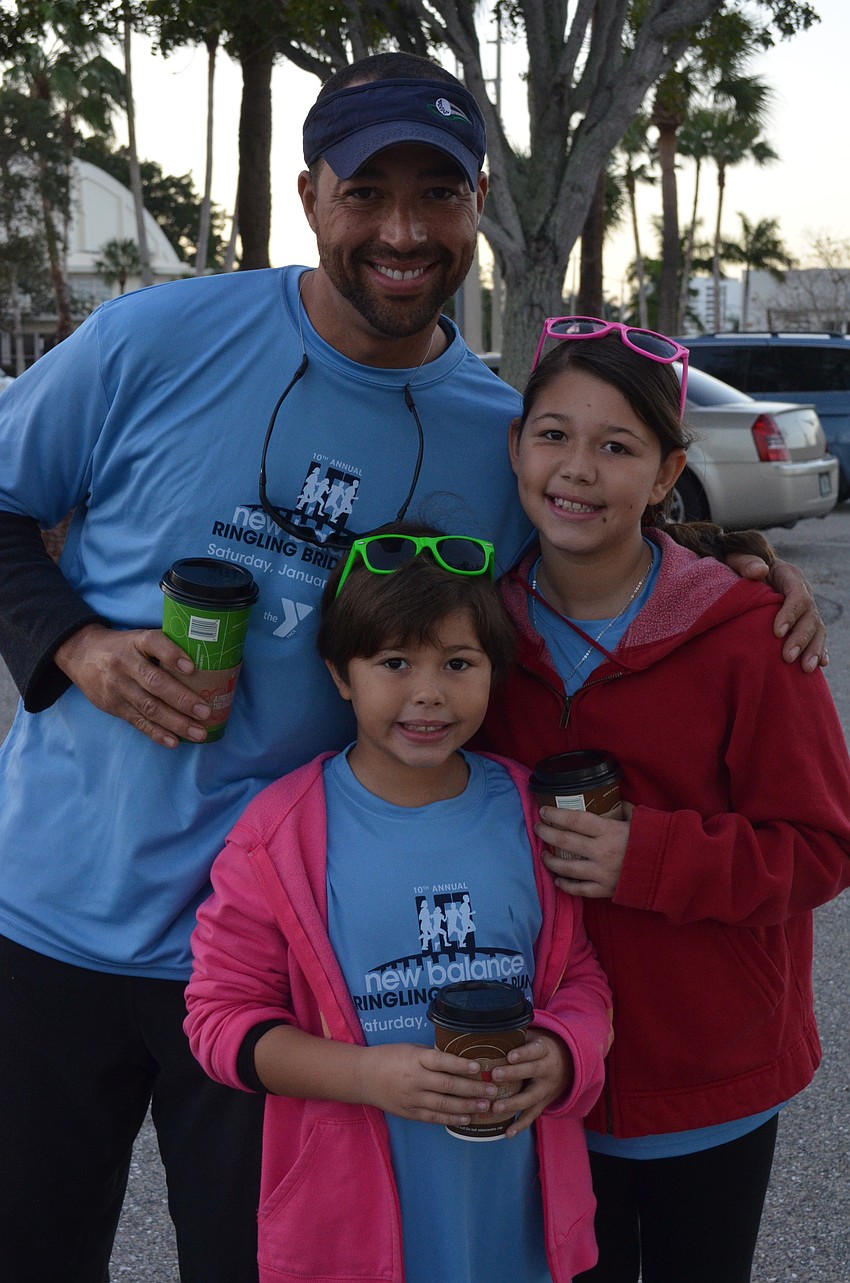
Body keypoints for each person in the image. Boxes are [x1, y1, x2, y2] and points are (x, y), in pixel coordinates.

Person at [0, 50, 825, 1282]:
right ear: (309, 195)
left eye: (436, 194)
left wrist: (739, 562)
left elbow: (588, 542)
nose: (401, 230)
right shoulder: (155, 337)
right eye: (365, 191)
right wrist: (74, 641)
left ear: (477, 202)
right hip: (52, 912)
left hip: (298, 955)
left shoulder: (492, 434)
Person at [475, 318, 850, 1283]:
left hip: (708, 1078)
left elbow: (821, 846)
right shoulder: (476, 640)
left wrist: (647, 855)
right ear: (515, 446)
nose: (577, 469)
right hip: (548, 1074)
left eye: (618, 446)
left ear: (666, 472)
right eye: (553, 434)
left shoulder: (751, 634)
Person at [184, 523, 614, 1283]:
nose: (428, 691)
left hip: (514, 1221)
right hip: (353, 1234)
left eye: (458, 663)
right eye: (394, 662)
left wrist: (564, 1054)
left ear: (494, 670)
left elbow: (578, 976)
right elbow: (219, 1021)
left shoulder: (529, 811)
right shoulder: (279, 835)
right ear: (339, 674)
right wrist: (365, 1077)